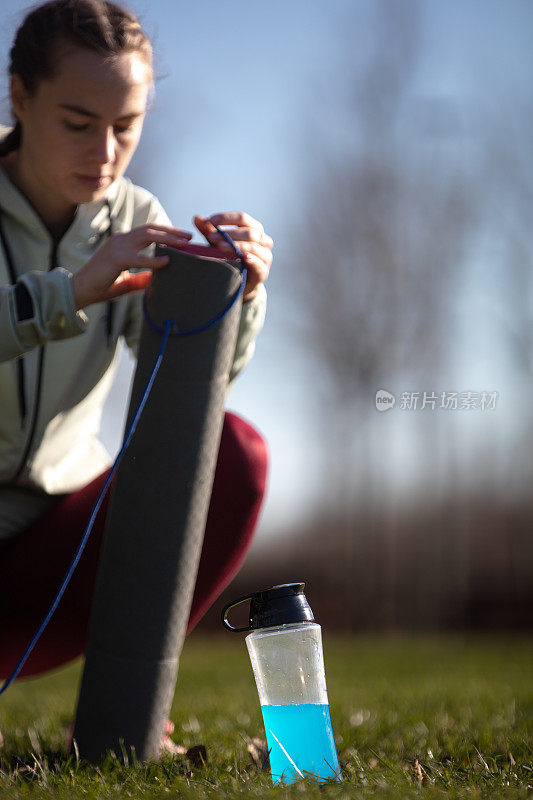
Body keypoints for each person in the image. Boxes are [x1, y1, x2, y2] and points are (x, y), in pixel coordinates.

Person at [0, 0, 272, 754]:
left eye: (128, 124)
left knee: (235, 453)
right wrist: (70, 292)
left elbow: (187, 389)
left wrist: (234, 297)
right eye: (79, 122)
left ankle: (126, 713)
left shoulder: (132, 217)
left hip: (55, 559)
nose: (107, 151)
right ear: (19, 97)